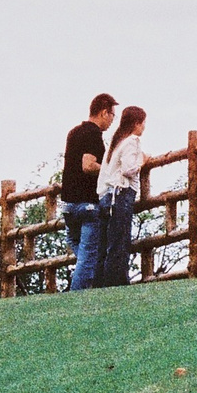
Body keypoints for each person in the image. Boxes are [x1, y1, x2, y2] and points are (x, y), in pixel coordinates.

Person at [62, 93, 115, 292]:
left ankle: (89, 281)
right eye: (112, 116)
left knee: (83, 251)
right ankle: (76, 299)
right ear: (104, 113)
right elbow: (88, 165)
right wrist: (111, 171)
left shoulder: (73, 132)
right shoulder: (93, 134)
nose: (111, 121)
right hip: (87, 204)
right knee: (87, 258)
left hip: (68, 204)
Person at [95, 105, 146, 289]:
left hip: (107, 196)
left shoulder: (117, 143)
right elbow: (128, 169)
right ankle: (117, 283)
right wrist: (142, 160)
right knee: (120, 242)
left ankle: (102, 284)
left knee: (106, 244)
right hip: (121, 194)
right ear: (136, 124)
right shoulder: (132, 141)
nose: (144, 127)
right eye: (143, 123)